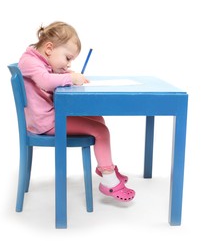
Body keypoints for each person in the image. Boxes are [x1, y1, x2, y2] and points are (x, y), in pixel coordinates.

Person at [18, 21, 135, 202]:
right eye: (67, 58)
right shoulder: (29, 61)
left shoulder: (37, 60)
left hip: (49, 117)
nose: (68, 63)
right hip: (46, 123)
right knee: (101, 131)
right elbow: (45, 81)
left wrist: (61, 73)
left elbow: (46, 77)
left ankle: (104, 166)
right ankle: (109, 180)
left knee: (98, 118)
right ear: (49, 48)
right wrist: (69, 77)